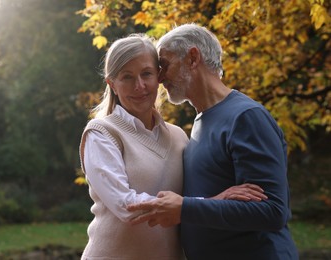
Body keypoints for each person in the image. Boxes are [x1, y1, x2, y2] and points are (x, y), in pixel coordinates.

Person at [79, 33, 267, 259]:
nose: (139, 86)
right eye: (127, 77)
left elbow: (194, 195)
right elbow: (125, 206)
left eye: (146, 74)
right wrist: (210, 203)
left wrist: (222, 203)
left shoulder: (178, 136)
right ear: (112, 85)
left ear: (159, 77)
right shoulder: (101, 133)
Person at [127, 24, 299, 260]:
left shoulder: (246, 117)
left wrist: (184, 209)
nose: (160, 76)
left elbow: (272, 211)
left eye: (164, 65)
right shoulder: (200, 122)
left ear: (193, 58)